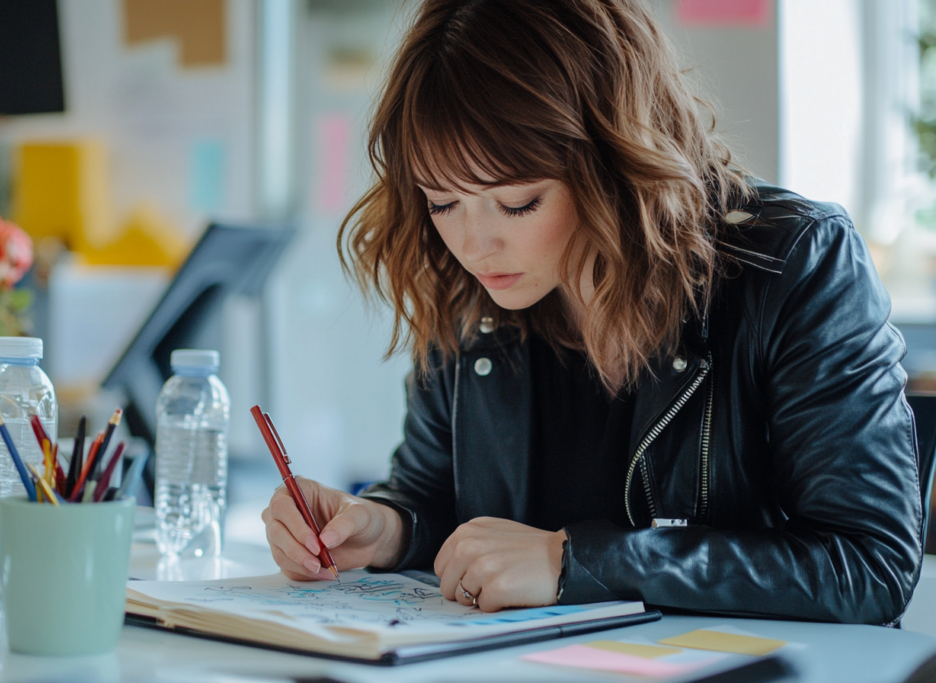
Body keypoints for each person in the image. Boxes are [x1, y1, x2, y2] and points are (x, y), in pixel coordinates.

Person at [262, 0, 922, 625]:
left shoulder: (798, 263)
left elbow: (870, 561)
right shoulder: (469, 293)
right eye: (442, 202)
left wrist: (576, 561)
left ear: (611, 161)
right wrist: (382, 524)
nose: (472, 244)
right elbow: (435, 494)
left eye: (517, 203)